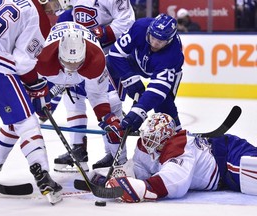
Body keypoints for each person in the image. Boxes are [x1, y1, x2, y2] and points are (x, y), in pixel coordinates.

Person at [0, 0, 70, 204]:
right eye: (56, 3)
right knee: (25, 120)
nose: (55, 9)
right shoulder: (39, 18)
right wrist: (37, 86)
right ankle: (43, 176)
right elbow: (23, 64)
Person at [47, 0, 135, 172]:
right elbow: (62, 11)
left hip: (109, 55)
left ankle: (117, 156)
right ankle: (78, 149)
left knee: (110, 103)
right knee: (73, 97)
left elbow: (127, 22)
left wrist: (100, 33)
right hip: (77, 53)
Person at [105, 112, 257, 203]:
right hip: (220, 160)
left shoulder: (179, 147)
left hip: (226, 157)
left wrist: (143, 188)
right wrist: (111, 176)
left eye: (156, 139)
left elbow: (176, 182)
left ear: (167, 138)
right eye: (149, 137)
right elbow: (140, 171)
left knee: (251, 172)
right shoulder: (145, 145)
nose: (150, 144)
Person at [107, 13, 184, 140]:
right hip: (136, 61)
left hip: (161, 70)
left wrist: (139, 111)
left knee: (164, 104)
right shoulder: (140, 27)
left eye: (160, 41)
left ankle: (177, 137)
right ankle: (114, 107)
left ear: (169, 40)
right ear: (149, 30)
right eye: (152, 38)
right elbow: (115, 54)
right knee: (109, 64)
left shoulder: (173, 55)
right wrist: (130, 81)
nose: (154, 44)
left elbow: (158, 90)